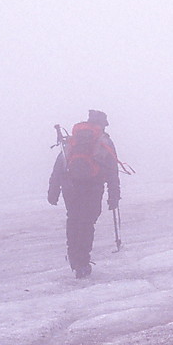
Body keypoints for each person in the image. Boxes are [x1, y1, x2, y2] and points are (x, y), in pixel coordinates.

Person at [48, 109, 121, 278]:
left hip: (70, 187)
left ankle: (74, 260)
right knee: (87, 224)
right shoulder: (104, 141)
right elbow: (112, 171)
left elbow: (59, 166)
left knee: (73, 220)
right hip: (93, 187)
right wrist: (114, 196)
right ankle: (83, 262)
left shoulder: (73, 140)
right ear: (102, 124)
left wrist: (54, 191)